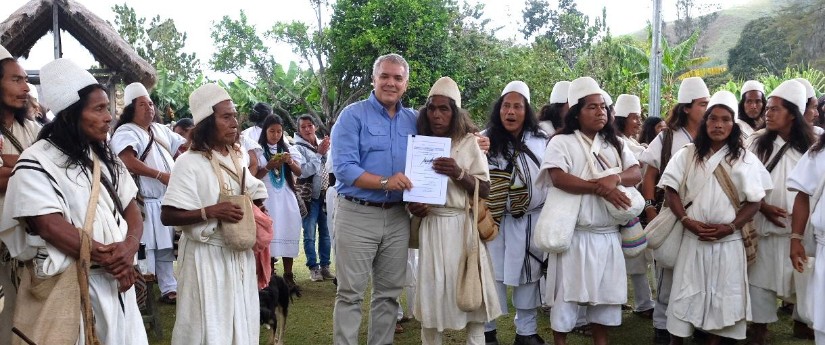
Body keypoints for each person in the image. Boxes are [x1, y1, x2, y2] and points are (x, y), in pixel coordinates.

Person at [0, 58, 148, 344]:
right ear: (70, 114)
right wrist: (110, 258)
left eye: (108, 108)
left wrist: (129, 249)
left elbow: (132, 208)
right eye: (99, 109)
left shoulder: (105, 156)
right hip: (73, 286)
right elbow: (46, 224)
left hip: (116, 280)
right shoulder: (36, 161)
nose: (109, 117)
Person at [660, 90, 771, 344]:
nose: (718, 124)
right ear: (705, 123)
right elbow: (671, 190)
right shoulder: (687, 154)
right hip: (693, 239)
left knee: (722, 300)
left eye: (725, 120)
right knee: (684, 296)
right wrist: (687, 221)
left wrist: (730, 227)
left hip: (728, 243)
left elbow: (755, 201)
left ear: (733, 126)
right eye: (713, 119)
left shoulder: (745, 159)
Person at [161, 83, 267, 344]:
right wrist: (210, 211)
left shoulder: (236, 156)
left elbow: (252, 188)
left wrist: (258, 209)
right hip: (205, 258)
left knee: (240, 322)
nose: (235, 123)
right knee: (206, 327)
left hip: (238, 255)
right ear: (208, 121)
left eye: (235, 116)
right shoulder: (188, 162)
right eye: (226, 117)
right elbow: (168, 215)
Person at [540, 77, 641, 345]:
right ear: (576, 112)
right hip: (575, 236)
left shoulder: (615, 143)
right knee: (566, 298)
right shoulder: (561, 142)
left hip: (607, 235)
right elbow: (558, 178)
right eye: (592, 107)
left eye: (603, 107)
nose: (601, 112)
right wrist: (601, 188)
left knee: (605, 300)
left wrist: (615, 179)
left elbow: (635, 172)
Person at [405, 77, 502, 344]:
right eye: (432, 109)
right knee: (432, 300)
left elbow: (484, 189)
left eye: (444, 109)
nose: (437, 115)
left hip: (463, 229)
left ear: (455, 112)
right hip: (433, 228)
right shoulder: (419, 143)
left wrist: (458, 173)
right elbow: (412, 188)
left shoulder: (469, 143)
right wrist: (415, 206)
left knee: (472, 306)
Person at [330, 53, 416, 345]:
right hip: (357, 214)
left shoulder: (415, 120)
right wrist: (384, 182)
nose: (391, 83)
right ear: (373, 79)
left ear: (406, 83)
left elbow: (446, 137)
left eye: (397, 78)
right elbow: (343, 168)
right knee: (350, 293)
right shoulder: (352, 115)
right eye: (385, 76)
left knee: (390, 294)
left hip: (397, 216)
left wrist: (476, 137)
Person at [638, 76, 709, 344]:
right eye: (703, 104)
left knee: (697, 271)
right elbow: (649, 174)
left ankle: (694, 323)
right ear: (687, 107)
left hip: (702, 215)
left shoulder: (712, 134)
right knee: (667, 269)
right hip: (670, 212)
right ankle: (662, 325)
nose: (707, 108)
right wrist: (649, 208)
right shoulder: (667, 137)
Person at [745, 79, 816, 343]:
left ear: (793, 113)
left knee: (804, 278)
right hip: (765, 227)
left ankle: (802, 320)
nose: (768, 112)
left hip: (800, 230)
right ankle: (760, 327)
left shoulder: (814, 143)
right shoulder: (756, 142)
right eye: (769, 108)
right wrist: (762, 207)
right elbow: (743, 182)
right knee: (760, 280)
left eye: (775, 108)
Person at [482, 80, 549, 345]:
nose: (511, 112)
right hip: (493, 222)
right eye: (506, 106)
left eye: (517, 106)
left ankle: (526, 332)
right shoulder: (484, 139)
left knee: (529, 276)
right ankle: (487, 332)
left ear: (526, 110)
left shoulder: (541, 141)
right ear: (499, 109)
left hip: (531, 220)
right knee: (490, 276)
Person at [110, 82, 186, 305]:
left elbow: (182, 146)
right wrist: (161, 175)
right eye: (143, 104)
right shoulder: (125, 131)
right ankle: (142, 291)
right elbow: (127, 161)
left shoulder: (160, 130)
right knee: (147, 247)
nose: (149, 108)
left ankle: (169, 287)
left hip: (166, 199)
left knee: (164, 246)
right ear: (132, 109)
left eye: (151, 104)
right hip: (143, 199)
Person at [0, 44, 42, 344]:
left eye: (26, 80)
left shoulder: (32, 128)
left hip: (26, 235)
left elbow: (51, 171)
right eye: (16, 79)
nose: (26, 87)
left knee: (24, 311)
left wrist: (13, 165)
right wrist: (30, 167)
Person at [612, 94, 655, 318]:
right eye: (635, 118)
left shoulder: (633, 143)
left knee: (637, 255)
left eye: (640, 118)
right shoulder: (619, 142)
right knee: (618, 259)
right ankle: (636, 303)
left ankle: (643, 302)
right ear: (622, 119)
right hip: (617, 207)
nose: (639, 122)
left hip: (631, 208)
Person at [253, 114, 303, 289]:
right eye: (272, 131)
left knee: (288, 230)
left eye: (279, 131)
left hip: (286, 197)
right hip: (268, 198)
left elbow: (300, 172)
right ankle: (269, 275)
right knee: (269, 234)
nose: (275, 135)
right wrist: (268, 167)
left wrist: (289, 161)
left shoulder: (288, 149)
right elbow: (253, 177)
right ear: (265, 131)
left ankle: (288, 275)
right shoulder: (258, 151)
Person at [788, 113, 825, 345]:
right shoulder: (819, 152)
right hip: (824, 249)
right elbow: (802, 194)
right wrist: (795, 238)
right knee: (822, 320)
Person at [293, 114, 334, 281]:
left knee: (326, 232)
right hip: (309, 196)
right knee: (309, 233)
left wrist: (325, 151)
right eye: (303, 127)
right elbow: (303, 171)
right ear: (299, 130)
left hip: (325, 194)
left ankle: (325, 266)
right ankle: (313, 268)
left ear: (315, 127)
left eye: (310, 125)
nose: (307, 129)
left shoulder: (322, 144)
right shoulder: (297, 148)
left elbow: (330, 165)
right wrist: (318, 154)